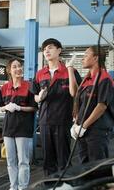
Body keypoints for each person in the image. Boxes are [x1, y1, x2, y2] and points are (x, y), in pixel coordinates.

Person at [31, 38, 81, 176]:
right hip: (45, 121)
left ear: (59, 50)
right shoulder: (40, 73)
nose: (46, 50)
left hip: (62, 121)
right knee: (48, 160)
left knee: (63, 160)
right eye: (44, 49)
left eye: (50, 47)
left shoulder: (70, 71)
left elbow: (76, 94)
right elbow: (34, 96)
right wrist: (39, 97)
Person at [0, 59, 37, 190]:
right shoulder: (4, 88)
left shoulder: (29, 87)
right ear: (9, 70)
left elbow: (33, 107)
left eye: (19, 66)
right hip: (8, 129)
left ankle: (23, 187)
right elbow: (0, 107)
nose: (18, 69)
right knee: (10, 161)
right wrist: (6, 107)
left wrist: (19, 108)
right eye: (15, 67)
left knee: (23, 161)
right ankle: (13, 187)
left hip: (23, 128)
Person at [70, 46, 114, 164]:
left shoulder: (104, 78)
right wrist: (76, 124)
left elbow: (101, 106)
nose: (82, 59)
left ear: (95, 58)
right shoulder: (86, 80)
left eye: (86, 55)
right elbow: (80, 104)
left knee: (97, 166)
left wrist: (83, 126)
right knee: (84, 166)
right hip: (83, 131)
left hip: (97, 131)